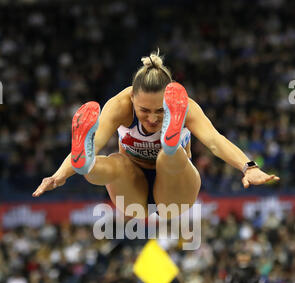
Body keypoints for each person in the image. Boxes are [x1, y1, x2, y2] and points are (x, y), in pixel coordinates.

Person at [32, 50, 279, 219]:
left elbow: (214, 141)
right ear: (132, 99)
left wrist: (249, 167)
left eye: (160, 111)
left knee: (166, 157)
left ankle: (170, 146)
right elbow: (92, 143)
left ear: (171, 104)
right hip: (132, 191)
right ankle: (86, 167)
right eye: (144, 111)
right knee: (113, 162)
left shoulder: (187, 106)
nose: (151, 119)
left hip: (175, 192)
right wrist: (59, 175)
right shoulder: (119, 105)